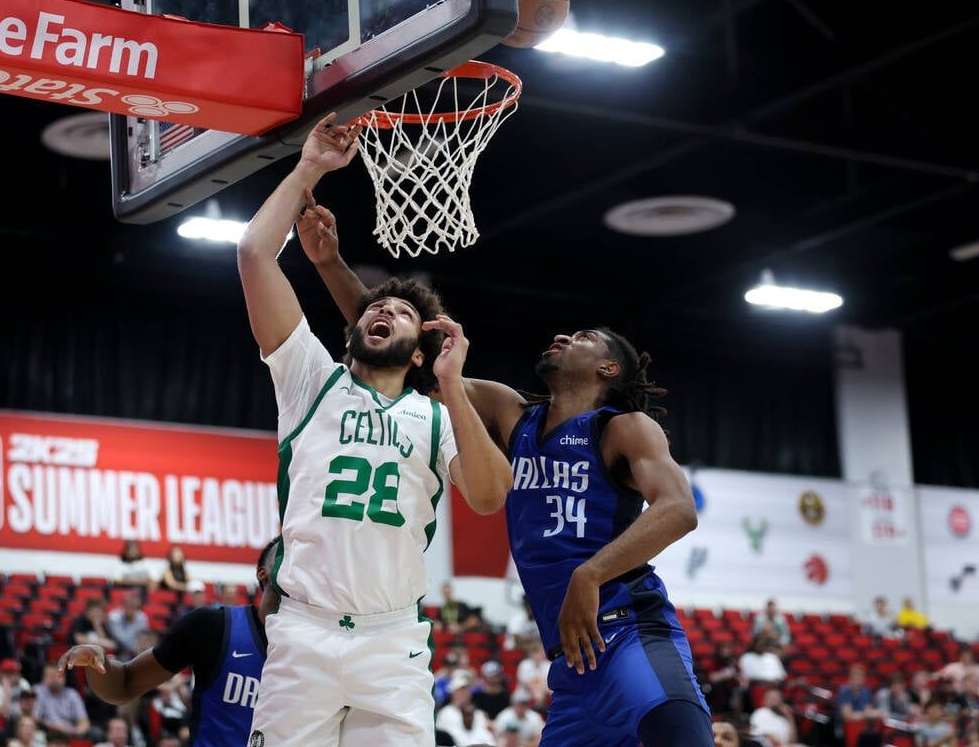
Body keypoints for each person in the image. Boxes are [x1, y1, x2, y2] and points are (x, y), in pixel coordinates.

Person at [303, 192, 710, 745]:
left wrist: (589, 575)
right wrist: (329, 263)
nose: (564, 337)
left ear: (608, 368)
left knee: (678, 733)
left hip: (630, 630)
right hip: (571, 667)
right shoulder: (509, 413)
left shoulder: (623, 428)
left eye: (583, 338)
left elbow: (679, 510)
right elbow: (402, 350)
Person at [238, 112, 512, 747]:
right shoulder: (311, 378)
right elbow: (254, 254)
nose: (386, 308)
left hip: (393, 643)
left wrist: (451, 383)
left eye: (405, 312)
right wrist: (310, 167)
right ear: (355, 331)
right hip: (303, 630)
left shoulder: (438, 414)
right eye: (378, 306)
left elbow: (490, 496)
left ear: (420, 352)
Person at [60, 539, 281, 747]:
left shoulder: (314, 650)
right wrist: (100, 663)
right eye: (287, 555)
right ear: (263, 573)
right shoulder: (214, 626)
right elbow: (125, 682)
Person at [437, 676, 496, 747]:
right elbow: (453, 737)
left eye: (466, 690)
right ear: (453, 693)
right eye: (460, 690)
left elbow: (485, 734)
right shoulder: (446, 713)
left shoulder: (478, 713)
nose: (464, 693)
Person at [32, 667, 89, 739]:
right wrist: (55, 727)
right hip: (46, 731)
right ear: (43, 678)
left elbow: (84, 721)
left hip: (70, 733)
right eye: (51, 676)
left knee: (94, 733)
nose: (54, 679)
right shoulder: (37, 691)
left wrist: (77, 731)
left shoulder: (72, 694)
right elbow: (34, 719)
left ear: (64, 678)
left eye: (58, 675)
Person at [106, 592, 150, 660]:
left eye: (134, 606)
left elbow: (144, 636)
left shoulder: (142, 616)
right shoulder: (114, 616)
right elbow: (123, 640)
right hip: (119, 651)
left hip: (137, 651)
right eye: (129, 605)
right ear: (124, 604)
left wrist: (141, 646)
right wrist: (137, 647)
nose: (131, 608)